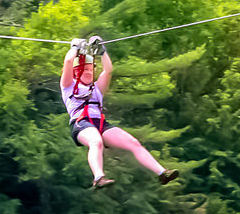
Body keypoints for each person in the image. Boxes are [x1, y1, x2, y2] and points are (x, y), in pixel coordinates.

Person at [61, 36, 179, 189]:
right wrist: (75, 48)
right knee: (96, 142)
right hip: (81, 123)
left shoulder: (96, 88)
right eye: (85, 70)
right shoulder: (68, 86)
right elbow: (68, 62)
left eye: (91, 70)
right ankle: (98, 177)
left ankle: (162, 173)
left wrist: (102, 52)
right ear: (76, 72)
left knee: (133, 143)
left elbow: (108, 70)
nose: (89, 73)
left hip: (100, 123)